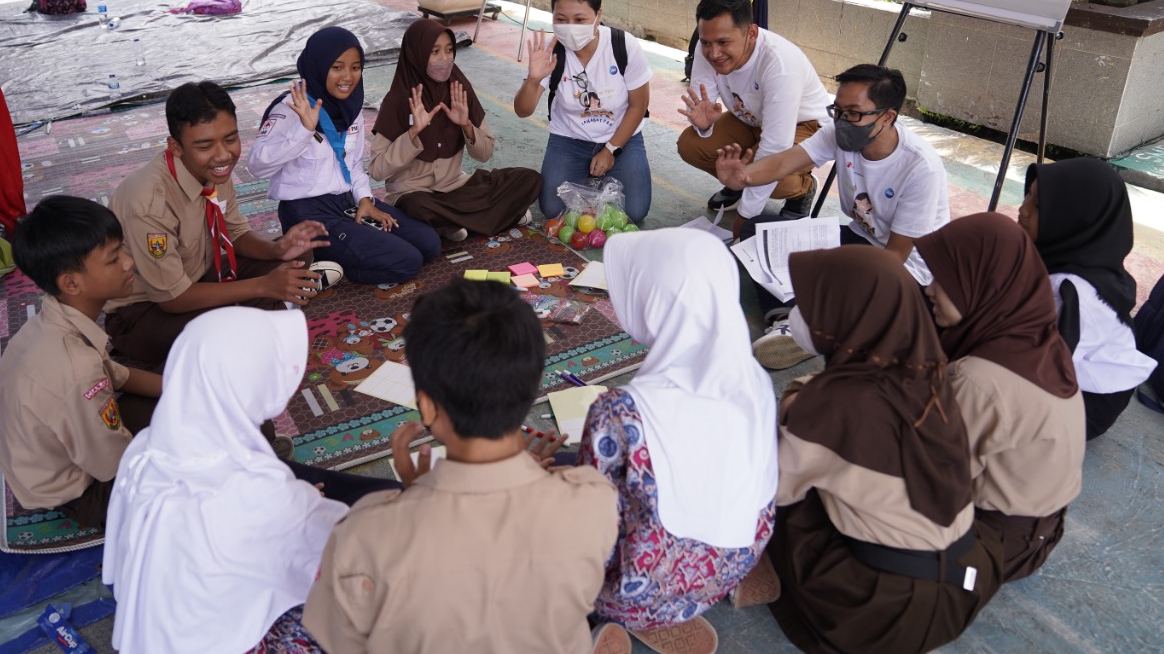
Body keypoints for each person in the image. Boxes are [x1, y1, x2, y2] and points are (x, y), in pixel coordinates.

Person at [301, 280, 622, 654]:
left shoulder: (363, 535)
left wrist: (413, 494)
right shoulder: (594, 500)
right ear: (534, 384)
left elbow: (343, 642)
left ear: (427, 406)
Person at [102, 307, 398, 654]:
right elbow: (344, 544)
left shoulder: (146, 448)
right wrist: (301, 503)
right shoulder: (258, 490)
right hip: (231, 639)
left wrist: (293, 500)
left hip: (164, 629)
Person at [767, 246, 1002, 654]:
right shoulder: (932, 374)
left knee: (780, 499)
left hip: (882, 614)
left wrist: (796, 402)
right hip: (966, 583)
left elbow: (771, 489)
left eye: (811, 304)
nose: (799, 316)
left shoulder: (831, 405)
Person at [574, 229, 778, 654]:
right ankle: (702, 596)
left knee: (540, 489)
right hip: (734, 560)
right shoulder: (754, 379)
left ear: (655, 304)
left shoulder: (621, 411)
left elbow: (590, 519)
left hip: (637, 587)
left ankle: (612, 619)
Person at [715, 64, 950, 368]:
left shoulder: (920, 168)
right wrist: (744, 177)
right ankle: (790, 322)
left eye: (853, 113)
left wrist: (827, 266)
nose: (842, 120)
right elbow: (786, 162)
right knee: (756, 231)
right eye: (837, 110)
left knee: (843, 281)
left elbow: (894, 257)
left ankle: (824, 327)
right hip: (860, 239)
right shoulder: (839, 132)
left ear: (887, 116)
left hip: (908, 270)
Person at [106, 81, 330, 367]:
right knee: (222, 334)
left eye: (230, 139)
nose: (223, 155)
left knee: (296, 257)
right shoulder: (148, 202)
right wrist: (263, 286)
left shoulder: (213, 171)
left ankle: (264, 311)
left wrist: (279, 251)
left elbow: (235, 233)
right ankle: (264, 313)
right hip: (143, 312)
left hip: (199, 276)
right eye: (204, 145)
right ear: (175, 146)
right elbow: (173, 298)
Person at [916, 213, 1085, 582]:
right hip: (1041, 529)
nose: (930, 289)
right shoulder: (1038, 339)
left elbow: (928, 481)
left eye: (944, 279)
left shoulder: (980, 380)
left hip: (992, 541)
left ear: (981, 283)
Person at [0, 196, 162, 529]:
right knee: (217, 447)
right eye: (114, 259)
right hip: (82, 490)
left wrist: (186, 389)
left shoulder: (57, 321)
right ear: (70, 283)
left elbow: (116, 376)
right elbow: (113, 463)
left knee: (187, 398)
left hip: (67, 451)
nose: (129, 263)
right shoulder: (76, 368)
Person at [248, 27, 441, 283]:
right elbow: (257, 166)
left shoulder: (351, 109)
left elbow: (354, 165)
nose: (348, 77)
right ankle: (320, 263)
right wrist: (303, 130)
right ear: (318, 65)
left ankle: (333, 255)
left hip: (347, 201)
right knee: (406, 261)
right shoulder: (292, 109)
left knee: (429, 243)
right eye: (337, 67)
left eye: (355, 67)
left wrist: (365, 200)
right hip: (306, 210)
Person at [1018, 158, 1156, 439]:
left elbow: (1038, 369)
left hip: (1086, 406)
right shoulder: (1086, 258)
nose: (1024, 209)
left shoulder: (1069, 290)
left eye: (1039, 206)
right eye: (1027, 194)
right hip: (1085, 380)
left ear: (1074, 221)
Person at [369, 19, 542, 242]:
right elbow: (376, 170)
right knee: (418, 208)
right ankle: (495, 217)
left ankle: (451, 224)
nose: (445, 59)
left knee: (529, 179)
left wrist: (466, 126)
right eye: (435, 52)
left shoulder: (459, 89)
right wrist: (412, 134)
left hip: (457, 187)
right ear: (417, 55)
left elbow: (485, 153)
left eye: (449, 50)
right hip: (414, 193)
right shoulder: (399, 99)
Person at [678, 0, 829, 218]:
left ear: (751, 33)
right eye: (707, 42)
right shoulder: (705, 48)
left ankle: (803, 188)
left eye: (723, 42)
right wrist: (704, 126)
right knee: (691, 145)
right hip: (749, 118)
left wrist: (745, 219)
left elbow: (775, 146)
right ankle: (738, 184)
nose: (714, 53)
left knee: (774, 177)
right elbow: (702, 103)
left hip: (803, 124)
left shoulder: (779, 64)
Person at [515, 0, 653, 224]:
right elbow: (523, 110)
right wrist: (533, 79)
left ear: (598, 16)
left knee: (634, 211)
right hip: (569, 140)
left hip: (621, 138)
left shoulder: (624, 45)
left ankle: (598, 179)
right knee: (552, 208)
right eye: (561, 19)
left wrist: (611, 150)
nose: (570, 27)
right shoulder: (550, 51)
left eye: (580, 19)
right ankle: (594, 183)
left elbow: (639, 105)